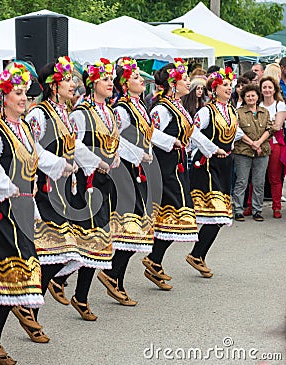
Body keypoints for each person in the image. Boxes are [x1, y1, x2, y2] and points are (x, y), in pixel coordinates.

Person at [0, 63, 43, 364]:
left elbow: (34, 163)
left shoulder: (25, 128)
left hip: (24, 208)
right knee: (18, 266)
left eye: (25, 93)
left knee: (8, 273)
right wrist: (7, 187)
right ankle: (9, 319)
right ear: (3, 98)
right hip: (3, 210)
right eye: (18, 93)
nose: (24, 98)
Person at [98, 58, 177, 305]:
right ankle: (110, 275)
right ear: (124, 84)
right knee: (132, 228)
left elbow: (149, 134)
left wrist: (156, 149)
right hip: (124, 171)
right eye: (135, 77)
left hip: (138, 170)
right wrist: (138, 154)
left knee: (137, 229)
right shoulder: (121, 109)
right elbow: (116, 140)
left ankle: (114, 277)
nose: (141, 80)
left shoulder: (139, 106)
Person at [143, 59, 222, 290]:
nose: (188, 81)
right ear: (172, 83)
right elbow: (151, 133)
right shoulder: (161, 108)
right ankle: (152, 259)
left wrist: (212, 149)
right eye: (184, 78)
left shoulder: (179, 106)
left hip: (178, 167)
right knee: (178, 215)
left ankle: (154, 260)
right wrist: (172, 141)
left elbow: (193, 133)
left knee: (177, 217)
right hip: (164, 167)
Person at [51, 58, 120, 318]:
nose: (110, 83)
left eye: (111, 79)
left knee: (97, 239)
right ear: (93, 84)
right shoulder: (81, 112)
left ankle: (75, 290)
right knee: (92, 237)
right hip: (87, 181)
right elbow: (74, 145)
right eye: (105, 79)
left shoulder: (109, 111)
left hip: (105, 178)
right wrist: (96, 161)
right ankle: (66, 284)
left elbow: (115, 138)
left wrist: (115, 157)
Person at [16, 56, 77, 343]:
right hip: (43, 190)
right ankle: (26, 309)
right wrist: (59, 165)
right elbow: (32, 150)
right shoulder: (39, 114)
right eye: (67, 80)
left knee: (59, 252)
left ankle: (30, 310)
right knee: (57, 249)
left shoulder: (64, 112)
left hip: (62, 190)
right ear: (54, 86)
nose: (73, 84)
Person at [187, 68, 238, 277]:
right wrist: (212, 148)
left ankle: (197, 254)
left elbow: (235, 131)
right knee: (215, 213)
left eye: (229, 85)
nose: (229, 88)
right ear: (214, 89)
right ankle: (194, 254)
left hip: (225, 165)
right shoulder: (206, 111)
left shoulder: (232, 110)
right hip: (207, 165)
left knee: (221, 215)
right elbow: (193, 132)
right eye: (224, 85)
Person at [233, 84, 272, 222]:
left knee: (259, 182)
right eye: (247, 96)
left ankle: (257, 210)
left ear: (257, 97)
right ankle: (238, 210)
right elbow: (237, 132)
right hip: (243, 151)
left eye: (253, 95)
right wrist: (252, 143)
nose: (250, 98)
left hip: (262, 151)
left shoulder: (264, 112)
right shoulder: (238, 112)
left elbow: (269, 129)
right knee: (241, 181)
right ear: (243, 97)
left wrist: (259, 143)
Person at [259, 76, 286, 218]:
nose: (267, 90)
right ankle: (252, 206)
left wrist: (262, 129)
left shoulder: (279, 105)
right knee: (256, 177)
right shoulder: (258, 104)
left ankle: (276, 207)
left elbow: (278, 126)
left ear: (274, 89)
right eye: (264, 87)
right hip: (259, 144)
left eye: (270, 87)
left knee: (274, 177)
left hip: (275, 144)